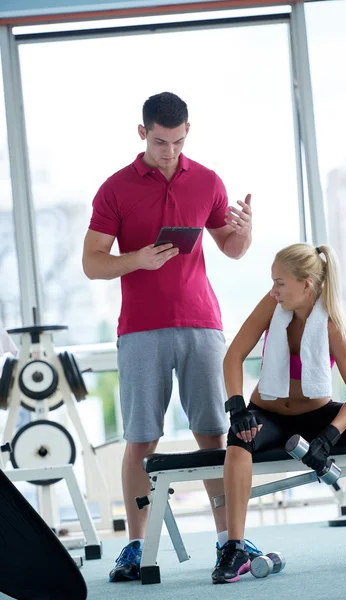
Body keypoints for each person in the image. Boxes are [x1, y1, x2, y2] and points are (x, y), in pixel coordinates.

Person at [82, 91, 262, 582]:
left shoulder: (206, 180)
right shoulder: (114, 189)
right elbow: (92, 261)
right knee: (142, 438)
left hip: (202, 323)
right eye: (161, 142)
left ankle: (232, 540)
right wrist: (136, 259)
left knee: (213, 433)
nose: (170, 152)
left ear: (188, 132)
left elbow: (231, 247)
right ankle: (137, 546)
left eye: (179, 141)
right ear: (142, 134)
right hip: (140, 330)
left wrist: (244, 231)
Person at [212, 242, 346, 584]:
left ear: (306, 284)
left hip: (315, 416)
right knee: (239, 437)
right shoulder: (272, 306)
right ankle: (235, 548)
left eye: (280, 282)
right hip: (267, 414)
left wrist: (329, 436)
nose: (274, 290)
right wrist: (237, 407)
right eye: (273, 282)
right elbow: (233, 355)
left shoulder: (331, 325)